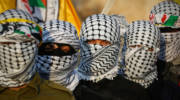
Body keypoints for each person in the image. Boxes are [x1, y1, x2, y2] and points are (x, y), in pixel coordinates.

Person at [0, 9, 74, 100]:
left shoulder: (60, 96)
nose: (18, 51)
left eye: (26, 42)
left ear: (36, 46)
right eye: (8, 43)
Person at [73, 14, 150, 100]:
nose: (97, 47)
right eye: (91, 41)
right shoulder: (69, 86)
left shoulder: (134, 92)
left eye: (104, 42)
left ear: (116, 46)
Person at [36, 20, 80, 91]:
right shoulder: (20, 88)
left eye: (65, 50)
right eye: (49, 48)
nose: (57, 57)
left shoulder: (85, 91)